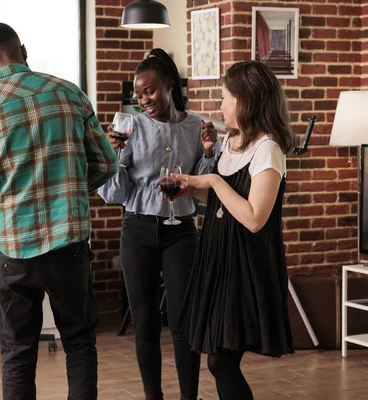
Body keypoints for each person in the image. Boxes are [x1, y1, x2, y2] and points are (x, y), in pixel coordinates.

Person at [0, 22, 118, 400]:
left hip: (13, 249)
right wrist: (71, 185)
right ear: (23, 50)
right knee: (79, 342)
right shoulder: (69, 93)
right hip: (69, 244)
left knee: (17, 352)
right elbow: (108, 165)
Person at [98, 48, 220, 400]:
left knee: (184, 321)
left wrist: (209, 153)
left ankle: (189, 397)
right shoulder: (130, 126)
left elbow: (203, 191)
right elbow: (114, 194)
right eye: (138, 94)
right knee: (146, 324)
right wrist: (115, 155)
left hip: (181, 230)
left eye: (149, 91)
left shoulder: (197, 126)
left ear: (168, 84)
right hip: (137, 229)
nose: (144, 100)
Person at [174, 60, 296, 399]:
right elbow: (227, 200)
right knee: (218, 359)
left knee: (220, 361)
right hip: (219, 257)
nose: (220, 106)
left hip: (246, 264)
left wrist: (211, 180)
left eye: (226, 98)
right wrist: (194, 190)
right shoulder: (232, 141)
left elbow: (255, 217)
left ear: (246, 100)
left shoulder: (268, 149)